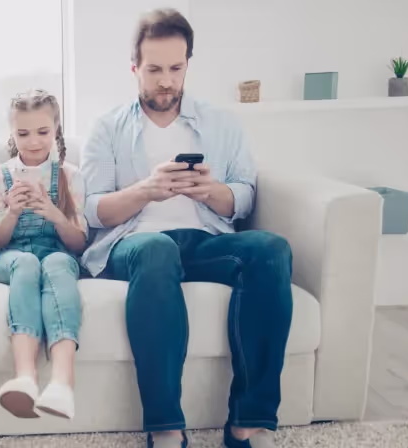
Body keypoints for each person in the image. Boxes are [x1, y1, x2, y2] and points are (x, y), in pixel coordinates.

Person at [80, 9, 293, 448]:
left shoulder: (221, 123)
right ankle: (166, 427)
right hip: (134, 245)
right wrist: (146, 190)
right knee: (157, 249)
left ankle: (248, 423)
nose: (165, 80)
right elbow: (92, 211)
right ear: (134, 67)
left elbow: (245, 196)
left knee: (271, 249)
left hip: (203, 239)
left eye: (175, 69)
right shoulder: (107, 128)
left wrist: (211, 192)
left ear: (187, 65)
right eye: (154, 69)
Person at [0, 90, 86, 420]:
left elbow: (78, 245)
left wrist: (55, 214)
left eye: (43, 132)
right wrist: (12, 212)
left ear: (56, 130)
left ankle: (62, 383)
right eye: (23, 133)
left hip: (56, 251)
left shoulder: (70, 175)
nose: (32, 142)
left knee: (58, 263)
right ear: (12, 134)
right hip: (12, 257)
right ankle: (25, 377)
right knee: (27, 263)